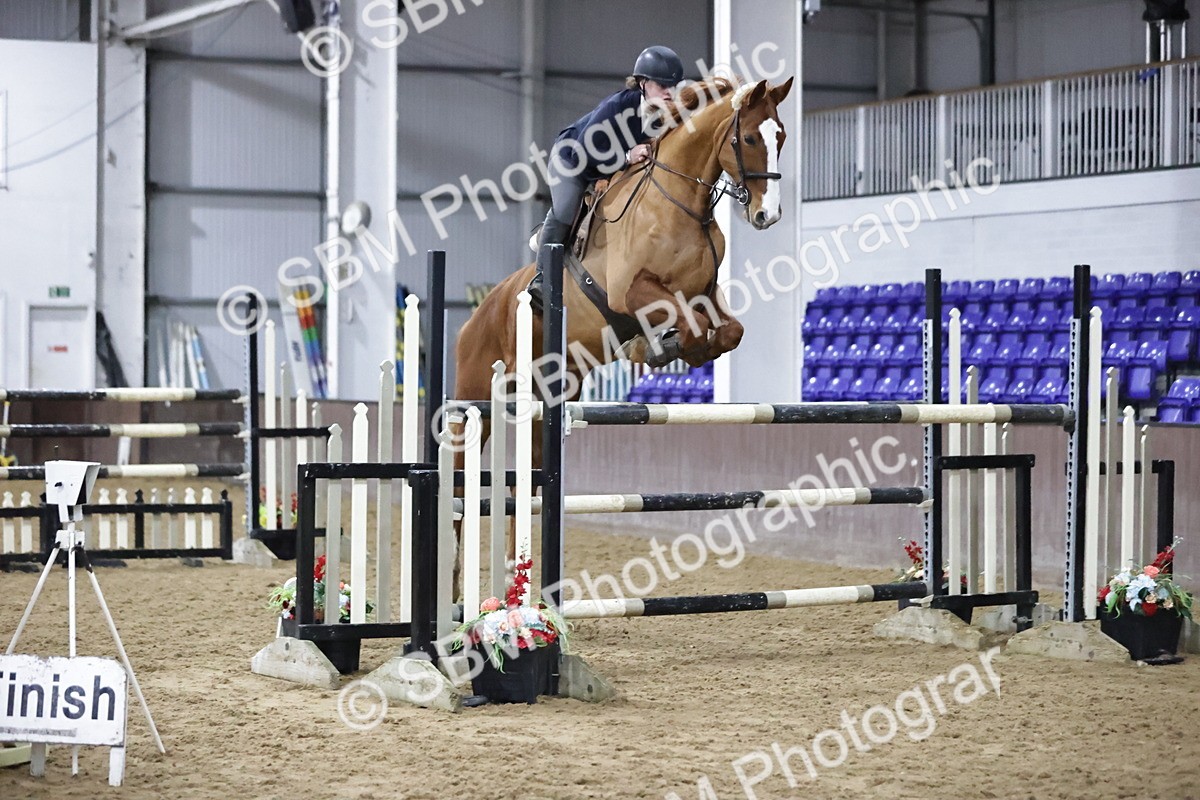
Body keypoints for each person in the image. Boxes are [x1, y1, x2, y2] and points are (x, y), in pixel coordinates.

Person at [526, 45, 684, 310]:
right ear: (643, 84)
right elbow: (584, 153)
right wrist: (627, 156)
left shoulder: (669, 114)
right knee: (566, 209)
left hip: (610, 168)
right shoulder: (617, 107)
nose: (670, 92)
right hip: (573, 160)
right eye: (662, 85)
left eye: (674, 86)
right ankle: (541, 279)